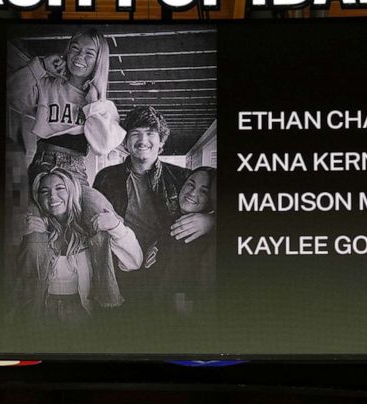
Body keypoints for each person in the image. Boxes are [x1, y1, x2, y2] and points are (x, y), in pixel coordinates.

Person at [93, 106, 215, 312]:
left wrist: (211, 220)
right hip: (119, 267)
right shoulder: (106, 177)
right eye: (135, 134)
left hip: (164, 266)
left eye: (150, 134)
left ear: (161, 144)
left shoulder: (182, 177)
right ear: (125, 142)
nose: (143, 140)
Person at [14, 168, 143, 328]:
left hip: (81, 311)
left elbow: (134, 262)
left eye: (60, 188)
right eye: (44, 191)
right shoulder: (33, 230)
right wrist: (17, 235)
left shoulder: (90, 227)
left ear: (72, 191)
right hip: (42, 311)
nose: (52, 196)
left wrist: (116, 227)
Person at [8, 28, 125, 185]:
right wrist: (41, 65)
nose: (79, 56)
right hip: (42, 166)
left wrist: (93, 106)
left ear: (99, 60)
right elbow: (11, 96)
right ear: (67, 52)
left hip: (76, 173)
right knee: (24, 210)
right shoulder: (47, 85)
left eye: (89, 53)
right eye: (75, 48)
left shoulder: (103, 105)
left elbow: (102, 147)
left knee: (101, 209)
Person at [149, 167, 217, 317]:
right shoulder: (172, 220)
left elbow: (182, 300)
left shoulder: (197, 236)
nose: (193, 193)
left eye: (204, 191)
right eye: (190, 184)